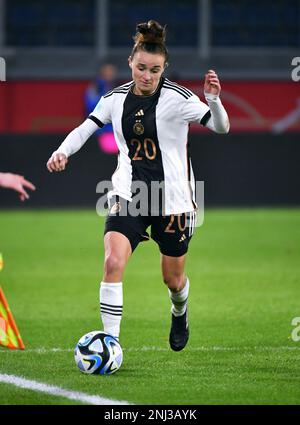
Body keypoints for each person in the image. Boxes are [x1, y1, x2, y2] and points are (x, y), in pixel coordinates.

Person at [47, 20, 229, 351]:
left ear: (164, 69)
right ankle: (110, 344)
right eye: (141, 67)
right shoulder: (114, 100)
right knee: (113, 262)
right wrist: (62, 151)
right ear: (130, 63)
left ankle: (179, 310)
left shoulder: (179, 98)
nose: (146, 76)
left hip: (173, 199)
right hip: (128, 193)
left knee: (173, 280)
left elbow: (221, 128)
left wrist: (213, 101)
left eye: (154, 70)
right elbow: (86, 128)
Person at [84, 63, 118, 154]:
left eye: (112, 71)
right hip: (100, 130)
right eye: (108, 71)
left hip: (114, 129)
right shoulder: (95, 88)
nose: (111, 74)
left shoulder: (116, 87)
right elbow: (91, 107)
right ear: (102, 73)